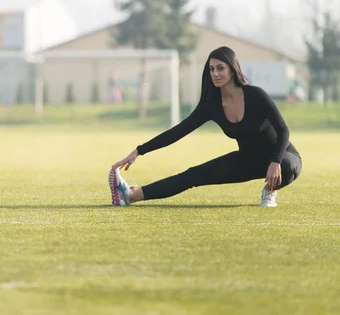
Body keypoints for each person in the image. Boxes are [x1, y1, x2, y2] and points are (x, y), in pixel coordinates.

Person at [109, 46, 302, 208]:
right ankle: (130, 195)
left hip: (282, 155)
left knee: (286, 167)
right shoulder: (212, 105)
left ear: (232, 69)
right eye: (211, 69)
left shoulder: (255, 95)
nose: (215, 74)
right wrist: (139, 151)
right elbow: (178, 132)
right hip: (247, 160)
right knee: (192, 175)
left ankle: (270, 190)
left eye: (220, 68)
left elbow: (283, 130)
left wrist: (275, 161)